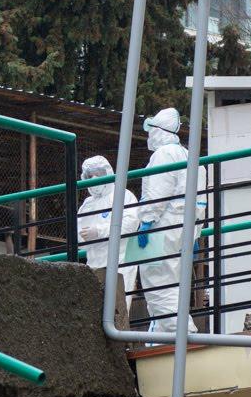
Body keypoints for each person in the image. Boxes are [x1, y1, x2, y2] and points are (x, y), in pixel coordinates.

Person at [133, 106, 199, 333]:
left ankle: (183, 333)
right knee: (173, 283)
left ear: (158, 130)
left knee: (157, 283)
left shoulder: (163, 154)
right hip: (184, 227)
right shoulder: (188, 154)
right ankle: (162, 338)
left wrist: (146, 223)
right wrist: (195, 232)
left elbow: (157, 192)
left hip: (162, 227)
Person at [77, 154, 140, 304]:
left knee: (118, 306)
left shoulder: (123, 195)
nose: (94, 179)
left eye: (98, 174)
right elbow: (80, 235)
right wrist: (86, 237)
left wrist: (99, 231)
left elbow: (130, 224)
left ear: (107, 173)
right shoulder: (87, 205)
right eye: (89, 175)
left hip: (121, 261)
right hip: (94, 263)